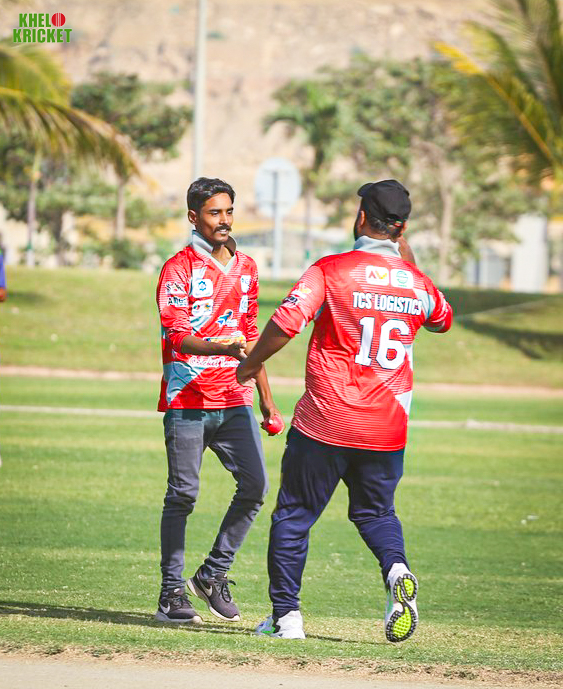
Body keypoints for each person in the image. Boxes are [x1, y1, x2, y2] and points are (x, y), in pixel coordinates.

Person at [237, 179, 452, 642]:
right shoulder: (418, 283)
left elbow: (286, 322)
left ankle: (286, 619)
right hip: (387, 429)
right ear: (402, 229)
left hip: (326, 421)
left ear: (360, 218)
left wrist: (251, 364)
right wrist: (404, 260)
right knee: (377, 514)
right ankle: (397, 571)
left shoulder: (330, 270)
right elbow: (442, 320)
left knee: (294, 516)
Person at [155, 177, 283, 624]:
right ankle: (171, 594)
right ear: (194, 217)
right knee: (183, 496)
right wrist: (221, 348)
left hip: (234, 398)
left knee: (255, 487)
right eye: (214, 212)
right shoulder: (177, 268)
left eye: (229, 211)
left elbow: (251, 338)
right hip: (188, 399)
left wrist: (267, 400)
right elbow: (178, 336)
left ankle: (212, 574)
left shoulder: (247, 267)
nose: (224, 220)